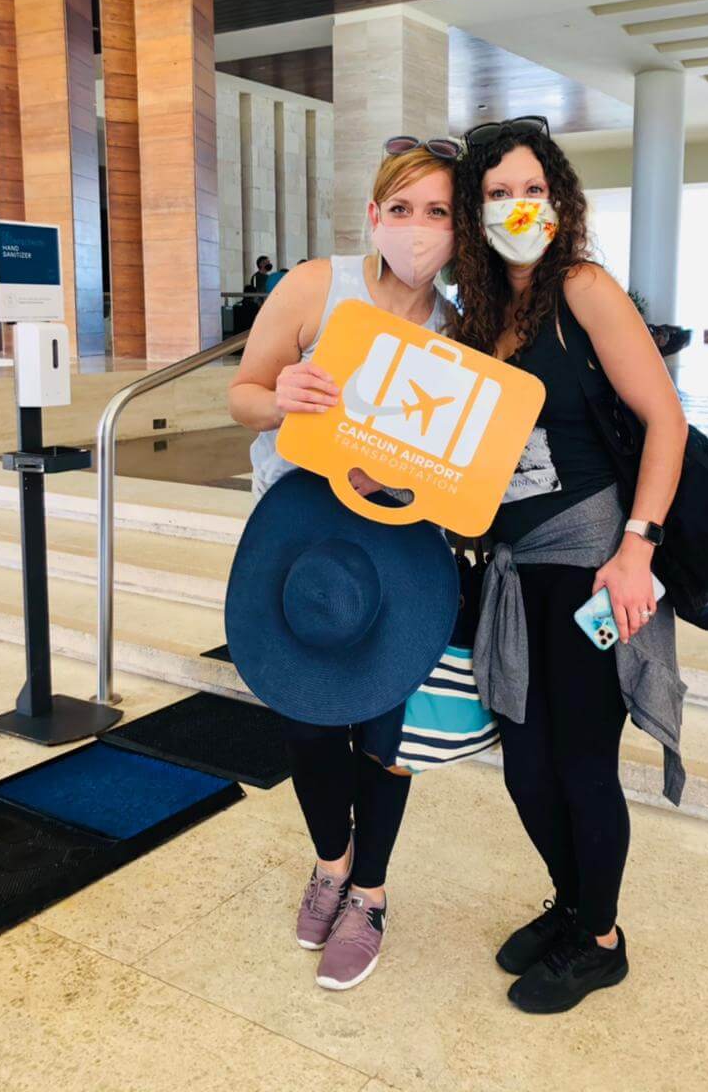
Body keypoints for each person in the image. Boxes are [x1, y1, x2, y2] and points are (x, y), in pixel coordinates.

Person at [450, 115, 689, 1015]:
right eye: (498, 194)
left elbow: (666, 420)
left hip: (593, 557)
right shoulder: (478, 314)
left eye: (532, 191)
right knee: (524, 760)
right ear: (476, 214)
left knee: (583, 761)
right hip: (512, 563)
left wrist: (638, 548)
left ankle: (601, 939)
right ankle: (570, 901)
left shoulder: (582, 288)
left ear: (557, 199)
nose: (519, 207)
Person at [228, 136, 459, 990]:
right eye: (401, 209)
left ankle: (370, 891)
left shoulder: (459, 329)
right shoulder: (317, 286)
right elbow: (245, 395)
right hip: (299, 543)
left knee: (389, 724)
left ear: (458, 227)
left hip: (400, 556)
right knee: (306, 714)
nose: (417, 227)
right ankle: (331, 859)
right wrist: (278, 396)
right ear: (373, 215)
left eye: (437, 211)